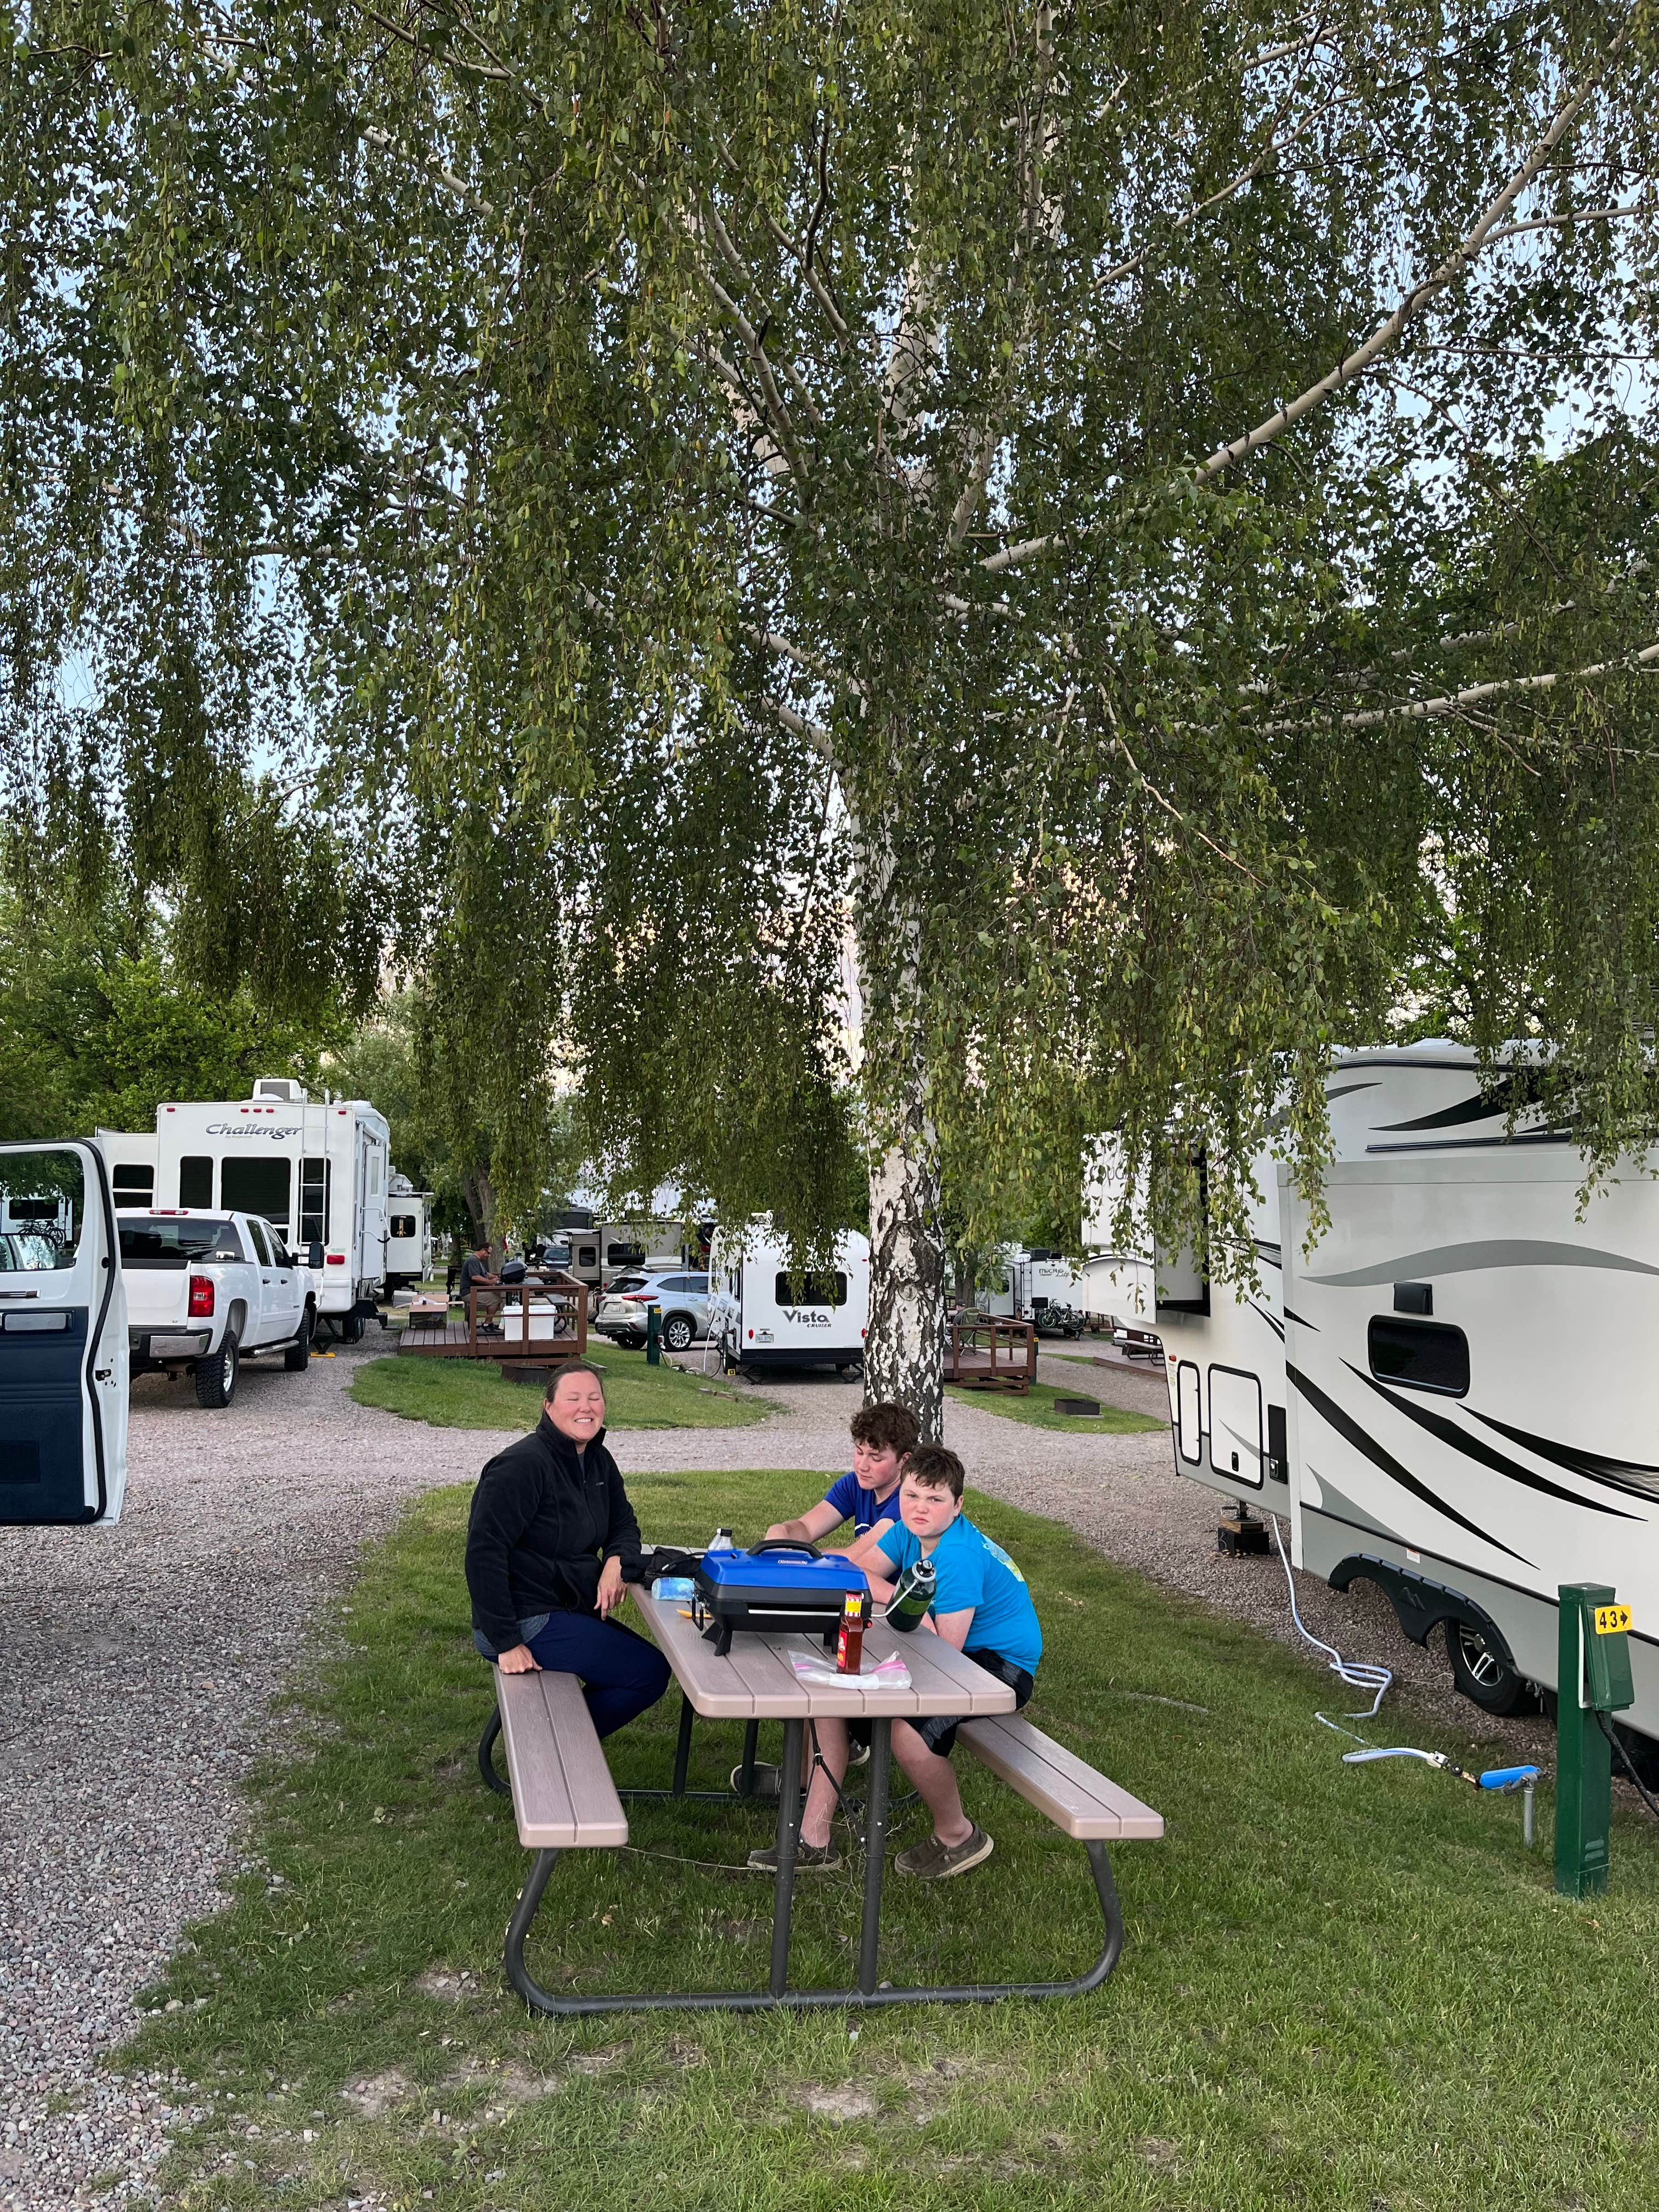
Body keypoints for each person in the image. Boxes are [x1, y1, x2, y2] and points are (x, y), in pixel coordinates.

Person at [748, 1443, 1040, 1879]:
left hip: (998, 1665)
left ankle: (958, 1835)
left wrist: (904, 1602)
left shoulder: (957, 1557)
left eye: (935, 1499)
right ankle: (814, 1840)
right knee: (830, 1689)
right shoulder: (909, 1529)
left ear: (958, 1505)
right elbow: (858, 1572)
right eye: (911, 1496)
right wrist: (890, 1593)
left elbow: (947, 1655)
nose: (920, 1508)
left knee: (908, 1735)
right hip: (945, 1646)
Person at [465, 1362, 672, 1737]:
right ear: (548, 1407)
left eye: (594, 1398)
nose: (586, 1407)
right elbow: (484, 1554)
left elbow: (624, 1523)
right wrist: (508, 1643)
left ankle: (556, 1738)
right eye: (573, 1398)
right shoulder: (521, 1465)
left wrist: (615, 1562)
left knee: (652, 1665)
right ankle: (553, 1744)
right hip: (524, 1619)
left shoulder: (596, 1460)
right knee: (648, 1673)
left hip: (565, 1607)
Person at [765, 1400, 920, 1565]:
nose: (862, 1466)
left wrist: (800, 1557)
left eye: (875, 1458)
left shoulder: (909, 1498)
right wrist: (782, 1533)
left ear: (904, 1460)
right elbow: (807, 1527)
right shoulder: (854, 1484)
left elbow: (855, 1558)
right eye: (859, 1452)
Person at [459, 1238, 501, 1335]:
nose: (489, 1256)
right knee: (495, 1300)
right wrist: (491, 1282)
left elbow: (485, 1274)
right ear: (483, 1250)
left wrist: (498, 1277)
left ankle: (489, 1323)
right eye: (488, 1253)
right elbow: (475, 1277)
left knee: (495, 1299)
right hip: (469, 1293)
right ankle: (486, 1325)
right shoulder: (473, 1261)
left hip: (475, 1291)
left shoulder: (477, 1261)